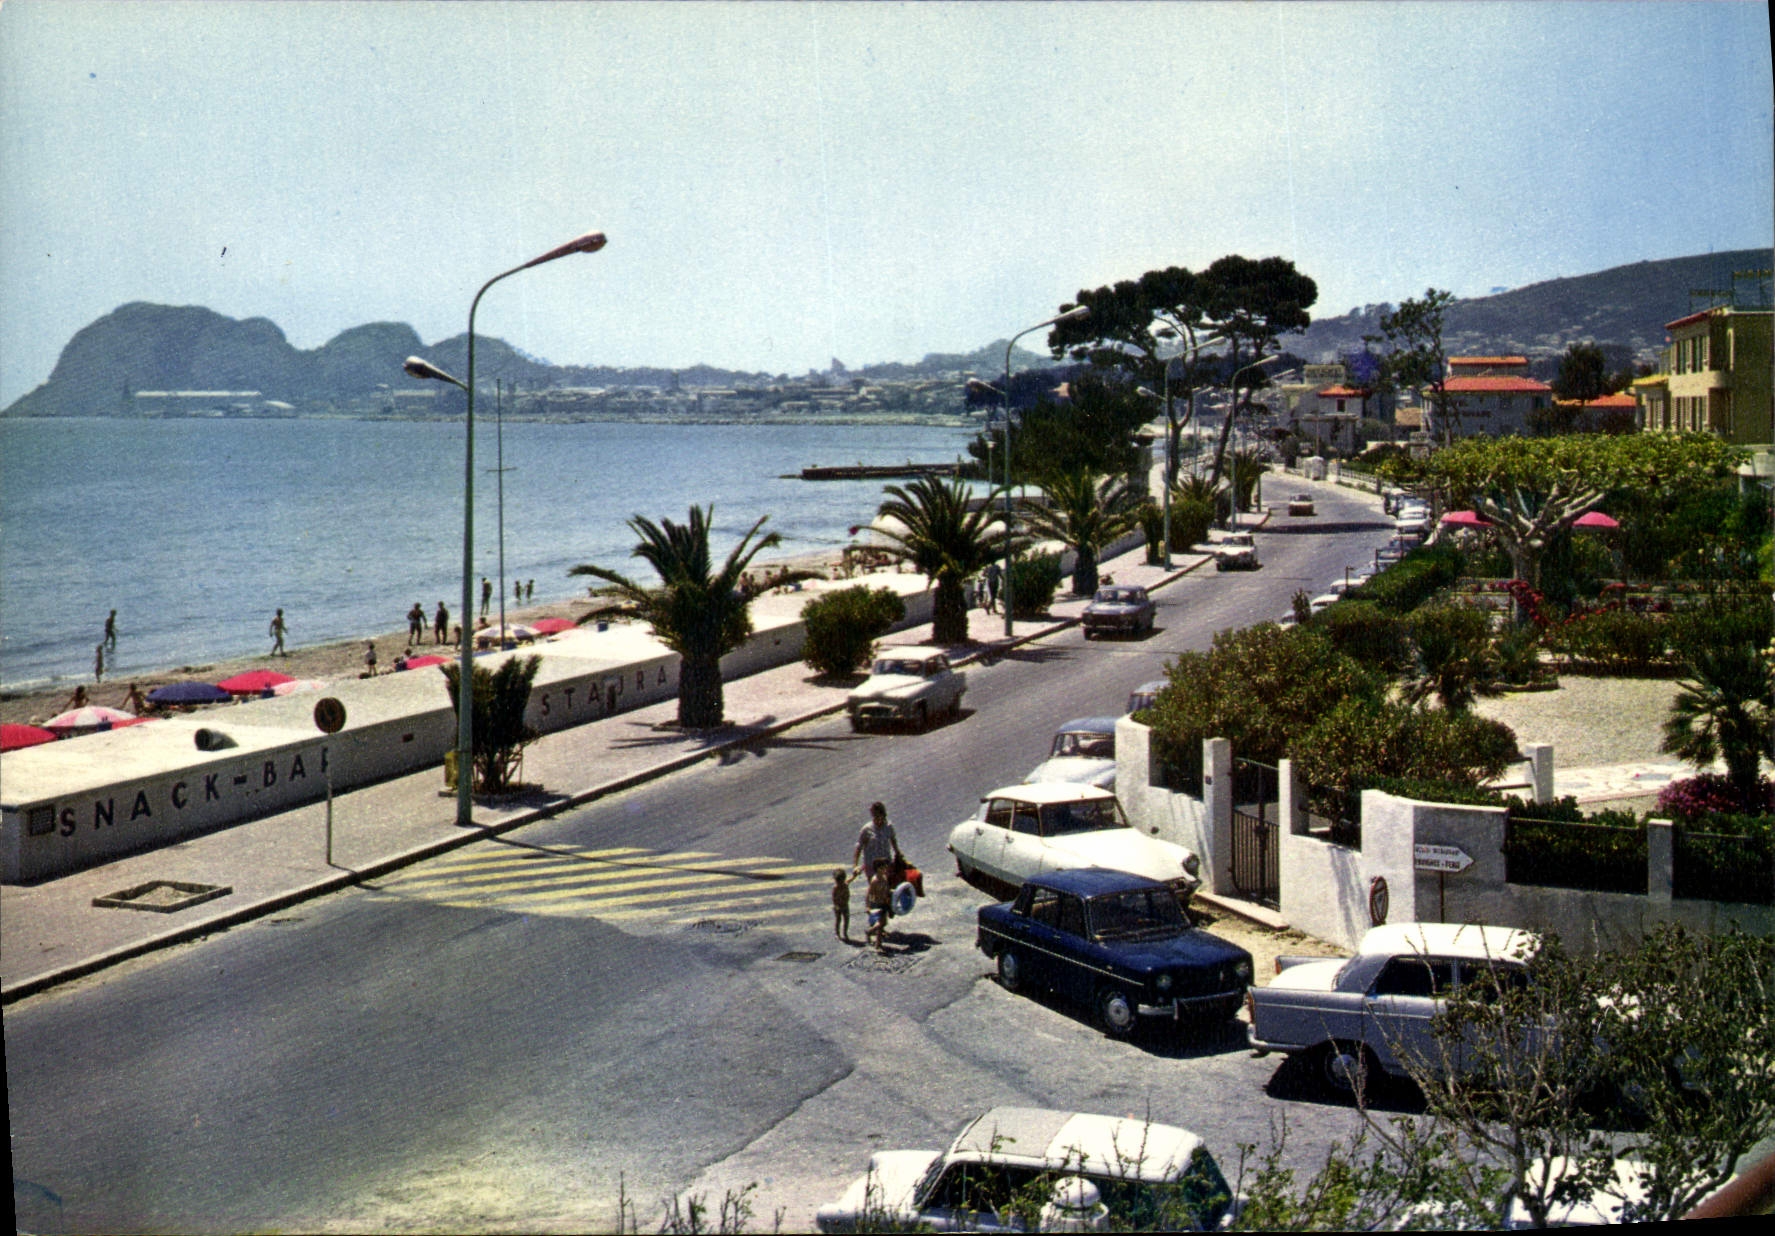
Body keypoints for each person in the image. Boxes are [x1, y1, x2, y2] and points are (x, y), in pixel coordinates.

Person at [852, 801, 904, 878]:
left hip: (886, 865)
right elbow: (859, 848)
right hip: (871, 866)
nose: (878, 819)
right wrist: (855, 866)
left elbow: (893, 842)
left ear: (883, 815)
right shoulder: (867, 829)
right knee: (875, 887)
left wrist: (898, 854)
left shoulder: (888, 827)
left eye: (880, 816)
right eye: (875, 816)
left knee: (887, 887)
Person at [864, 859, 893, 952]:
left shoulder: (884, 878)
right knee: (880, 925)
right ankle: (878, 945)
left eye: (885, 867)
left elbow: (887, 889)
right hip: (877, 904)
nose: (885, 869)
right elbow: (869, 894)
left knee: (883, 923)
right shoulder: (875, 880)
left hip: (884, 903)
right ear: (878, 869)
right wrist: (867, 906)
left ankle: (869, 932)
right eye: (882, 867)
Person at [831, 867, 857, 941]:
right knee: (838, 920)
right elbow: (834, 898)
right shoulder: (835, 888)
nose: (840, 883)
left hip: (845, 905)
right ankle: (837, 933)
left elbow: (851, 879)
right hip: (838, 906)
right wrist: (836, 906)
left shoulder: (845, 884)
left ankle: (845, 933)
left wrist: (855, 875)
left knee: (846, 919)